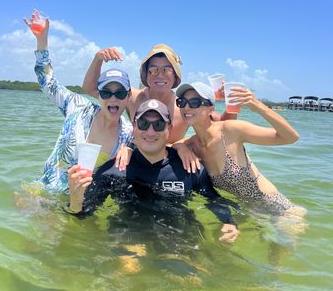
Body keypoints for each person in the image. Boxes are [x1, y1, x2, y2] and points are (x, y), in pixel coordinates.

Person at [67, 99, 240, 243]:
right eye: (143, 123)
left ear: (169, 129)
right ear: (134, 127)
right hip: (128, 233)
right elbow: (82, 216)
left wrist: (228, 222)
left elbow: (213, 200)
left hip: (177, 235)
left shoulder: (190, 166)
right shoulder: (113, 170)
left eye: (158, 125)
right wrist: (75, 198)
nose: (150, 131)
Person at [24, 15, 133, 194]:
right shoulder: (78, 107)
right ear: (98, 94)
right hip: (45, 192)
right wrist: (42, 41)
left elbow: (159, 143)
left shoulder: (128, 134)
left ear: (128, 97)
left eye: (120, 93)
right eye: (106, 92)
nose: (113, 98)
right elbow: (47, 82)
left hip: (81, 206)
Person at [175, 82, 306, 216]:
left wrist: (260, 107)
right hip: (248, 212)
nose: (186, 107)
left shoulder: (230, 130)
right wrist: (180, 147)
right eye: (182, 102)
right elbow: (165, 146)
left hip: (277, 208)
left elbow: (290, 137)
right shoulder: (191, 146)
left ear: (210, 109)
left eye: (195, 102)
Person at [82, 44, 237, 145]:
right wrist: (98, 59)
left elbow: (225, 126)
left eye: (167, 70)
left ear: (175, 75)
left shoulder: (183, 106)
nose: (160, 75)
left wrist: (233, 102)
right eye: (154, 70)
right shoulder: (134, 98)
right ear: (146, 75)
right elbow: (90, 89)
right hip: (137, 162)